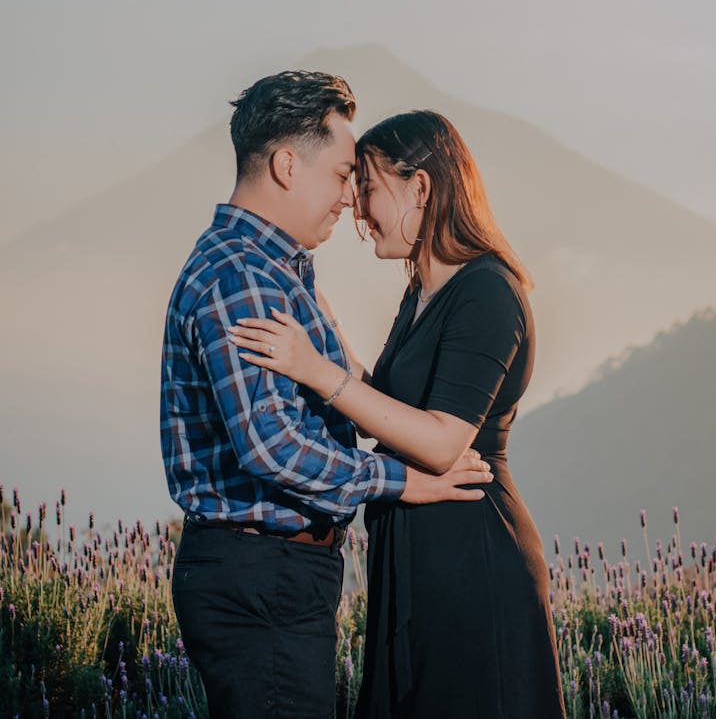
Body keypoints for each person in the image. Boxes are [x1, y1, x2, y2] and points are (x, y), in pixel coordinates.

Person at [160, 75, 492, 719]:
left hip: (274, 574)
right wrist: (401, 480)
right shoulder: (242, 277)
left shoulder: (277, 268)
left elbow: (338, 391)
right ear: (287, 165)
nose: (350, 198)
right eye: (342, 174)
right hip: (263, 575)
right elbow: (271, 445)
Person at [231, 109, 567, 719]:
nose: (357, 208)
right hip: (413, 554)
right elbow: (383, 411)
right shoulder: (423, 290)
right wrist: (325, 332)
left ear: (422, 187)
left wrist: (316, 370)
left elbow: (441, 441)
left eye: (368, 187)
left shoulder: (488, 291)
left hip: (470, 558)